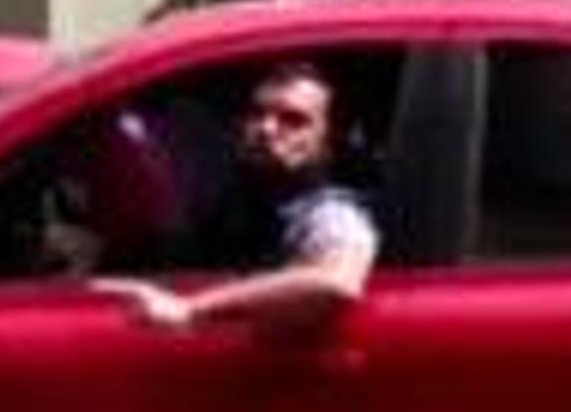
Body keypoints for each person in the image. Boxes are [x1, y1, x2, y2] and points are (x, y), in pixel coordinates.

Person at [95, 59, 378, 336]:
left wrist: (192, 308)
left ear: (327, 142)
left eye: (293, 120)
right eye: (257, 113)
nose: (267, 129)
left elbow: (335, 281)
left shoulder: (330, 212)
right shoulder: (236, 199)